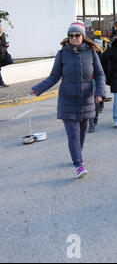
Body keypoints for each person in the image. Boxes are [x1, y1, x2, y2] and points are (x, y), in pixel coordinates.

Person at [29, 21, 106, 178]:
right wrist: (37, 89)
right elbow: (54, 76)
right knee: (73, 134)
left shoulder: (91, 53)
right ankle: (78, 163)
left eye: (77, 35)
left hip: (86, 99)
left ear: (83, 37)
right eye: (71, 35)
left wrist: (100, 92)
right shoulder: (62, 54)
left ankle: (77, 155)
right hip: (67, 100)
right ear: (68, 37)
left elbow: (99, 74)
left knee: (82, 133)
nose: (74, 37)